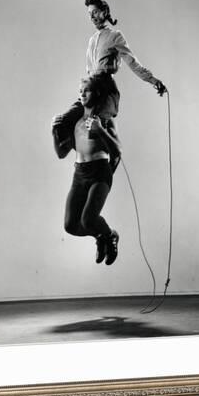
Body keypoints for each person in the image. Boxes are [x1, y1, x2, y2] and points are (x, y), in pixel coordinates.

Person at [55, 0, 167, 141]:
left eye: (94, 12)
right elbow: (89, 70)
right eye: (89, 14)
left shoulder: (115, 36)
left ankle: (111, 153)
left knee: (94, 135)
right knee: (61, 123)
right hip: (90, 89)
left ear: (104, 11)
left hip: (106, 90)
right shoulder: (92, 40)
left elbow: (132, 63)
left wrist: (153, 80)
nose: (92, 17)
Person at [52, 76, 122, 265]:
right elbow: (61, 153)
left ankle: (110, 235)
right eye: (80, 91)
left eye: (87, 90)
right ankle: (102, 236)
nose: (82, 94)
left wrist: (100, 130)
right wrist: (55, 132)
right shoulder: (76, 122)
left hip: (100, 172)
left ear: (96, 94)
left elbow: (118, 150)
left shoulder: (104, 121)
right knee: (70, 226)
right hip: (80, 173)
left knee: (88, 219)